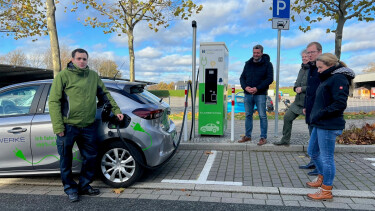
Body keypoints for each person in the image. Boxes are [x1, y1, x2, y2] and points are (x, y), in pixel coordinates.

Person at [49, 48, 124, 202]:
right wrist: (58, 127)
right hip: (68, 126)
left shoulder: (93, 76)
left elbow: (105, 95)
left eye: (84, 59)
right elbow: (53, 101)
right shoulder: (63, 76)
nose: (82, 61)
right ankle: (70, 189)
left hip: (88, 125)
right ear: (72, 59)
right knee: (66, 159)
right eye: (79, 59)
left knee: (90, 157)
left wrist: (116, 110)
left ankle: (84, 186)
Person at [306, 53, 355, 201]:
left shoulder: (338, 78)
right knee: (312, 151)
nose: (318, 70)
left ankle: (326, 190)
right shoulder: (329, 77)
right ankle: (321, 177)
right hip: (320, 122)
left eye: (320, 67)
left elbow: (340, 104)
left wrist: (321, 113)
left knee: (327, 158)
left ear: (331, 66)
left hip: (328, 124)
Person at [239, 44, 273, 145]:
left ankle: (263, 137)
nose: (256, 54)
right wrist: (245, 87)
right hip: (248, 94)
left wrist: (257, 88)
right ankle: (248, 136)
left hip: (260, 94)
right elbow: (242, 78)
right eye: (254, 52)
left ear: (261, 53)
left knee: (262, 116)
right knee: (248, 115)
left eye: (258, 53)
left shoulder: (268, 64)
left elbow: (269, 79)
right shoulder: (248, 64)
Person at [274, 50, 309, 146]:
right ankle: (285, 140)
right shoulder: (302, 69)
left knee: (311, 124)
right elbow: (297, 82)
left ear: (310, 56)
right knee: (287, 117)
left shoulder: (314, 69)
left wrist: (302, 89)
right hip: (298, 102)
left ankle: (314, 145)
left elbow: (315, 86)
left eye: (306, 56)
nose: (304, 58)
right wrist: (295, 87)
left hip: (308, 101)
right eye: (302, 57)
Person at [299, 42, 323, 176]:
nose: (309, 55)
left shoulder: (322, 68)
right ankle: (314, 162)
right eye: (308, 53)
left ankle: (320, 168)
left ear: (319, 52)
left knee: (317, 140)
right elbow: (309, 90)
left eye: (311, 52)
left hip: (318, 109)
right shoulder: (311, 68)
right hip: (310, 108)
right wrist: (305, 106)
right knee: (312, 135)